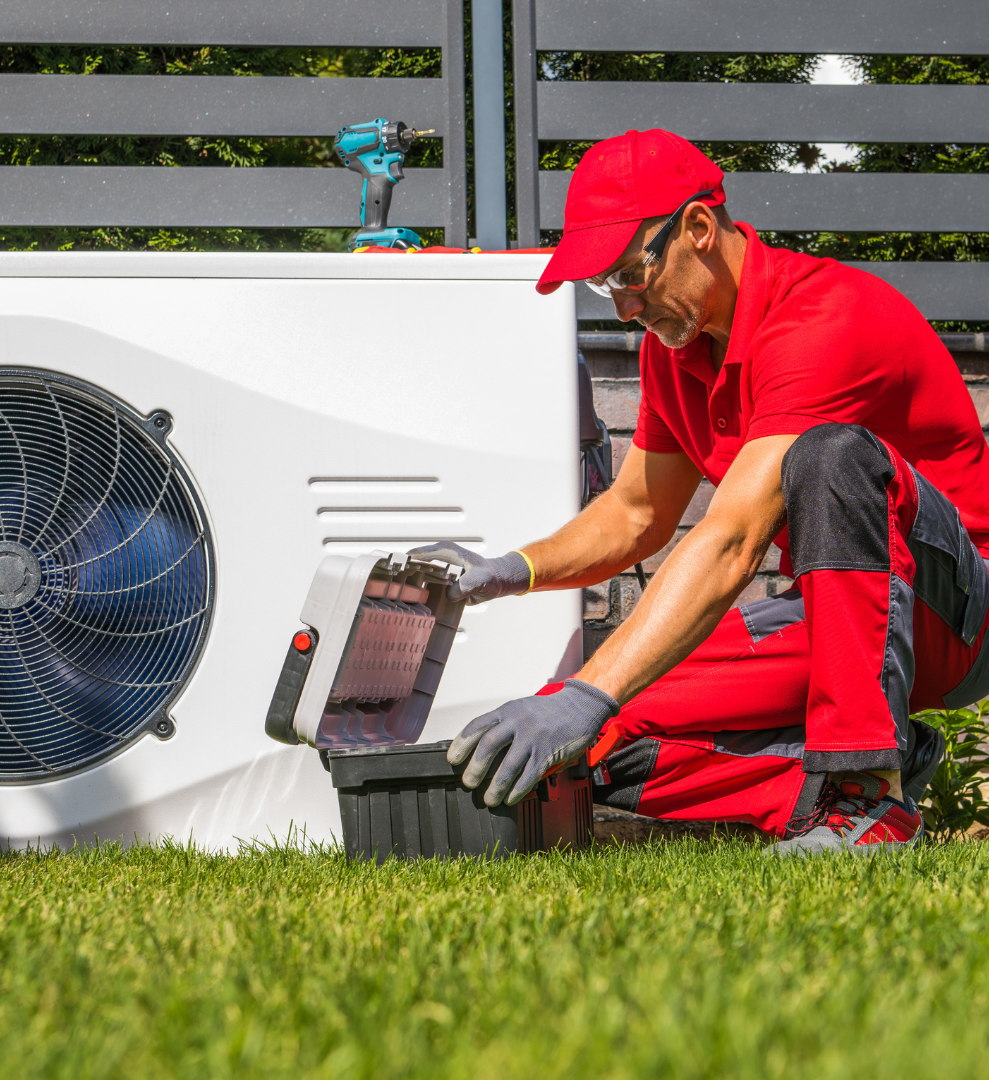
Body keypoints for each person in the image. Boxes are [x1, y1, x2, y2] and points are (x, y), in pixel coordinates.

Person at [412, 128, 989, 855]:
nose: (622, 309)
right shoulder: (675, 351)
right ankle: (868, 770)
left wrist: (590, 690)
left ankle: (867, 799)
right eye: (604, 286)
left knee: (829, 456)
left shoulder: (823, 318)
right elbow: (636, 512)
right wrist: (515, 571)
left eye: (629, 275)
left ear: (697, 228)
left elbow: (734, 539)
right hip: (841, 620)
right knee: (594, 742)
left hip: (957, 610)